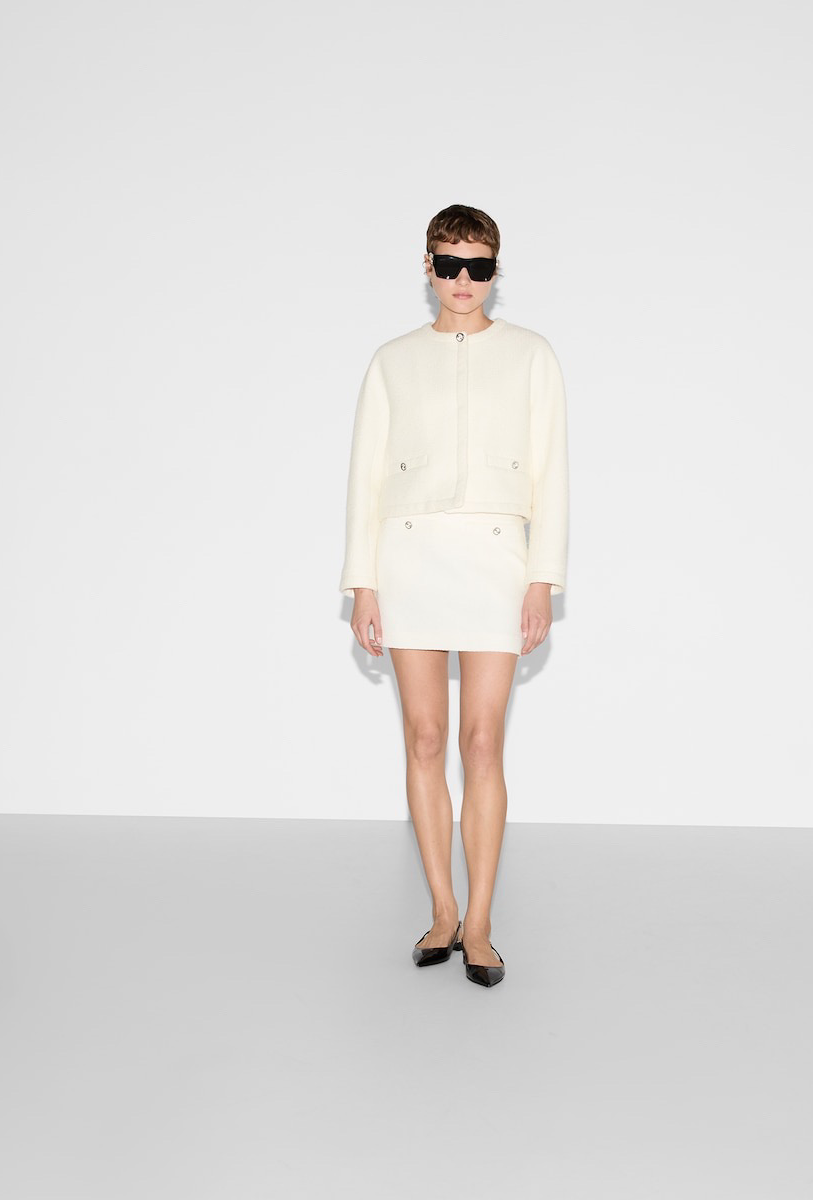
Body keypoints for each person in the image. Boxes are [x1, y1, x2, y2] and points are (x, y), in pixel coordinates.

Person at [338, 203, 569, 988]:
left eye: (477, 267)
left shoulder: (532, 356)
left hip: (498, 560)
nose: (462, 280)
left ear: (496, 272)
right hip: (409, 558)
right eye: (448, 265)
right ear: (428, 268)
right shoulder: (392, 361)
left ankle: (481, 923)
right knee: (426, 739)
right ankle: (442, 909)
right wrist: (362, 584)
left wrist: (542, 578)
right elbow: (365, 477)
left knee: (482, 742)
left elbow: (553, 473)